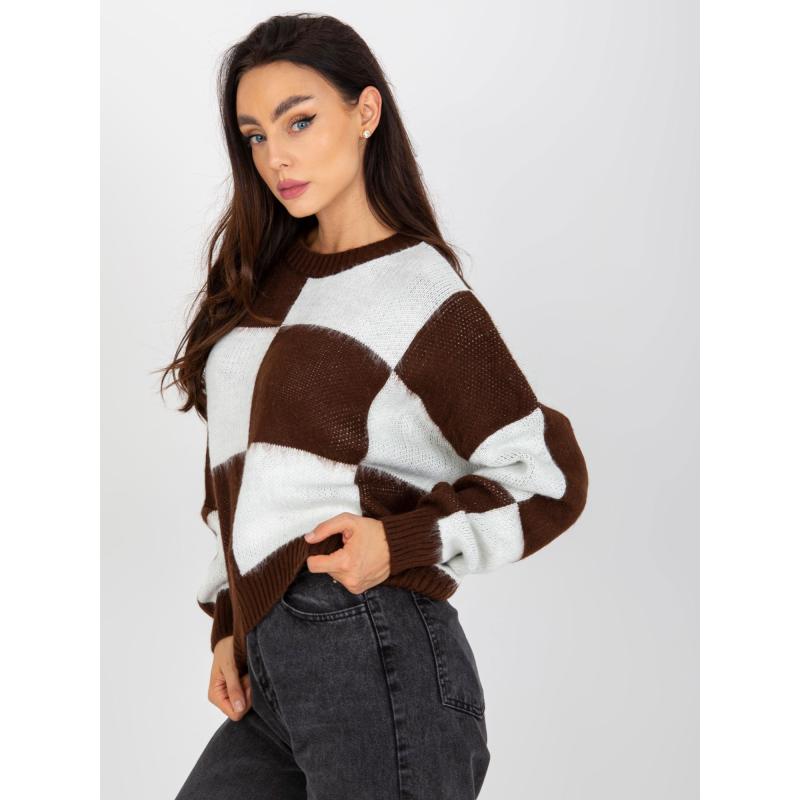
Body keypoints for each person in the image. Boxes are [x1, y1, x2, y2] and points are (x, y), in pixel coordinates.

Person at [161, 12, 589, 799]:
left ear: (365, 112)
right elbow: (242, 479)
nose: (276, 155)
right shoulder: (263, 285)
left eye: (299, 120)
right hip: (272, 667)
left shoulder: (418, 290)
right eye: (255, 136)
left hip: (372, 648)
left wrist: (401, 542)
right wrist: (231, 623)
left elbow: (546, 477)